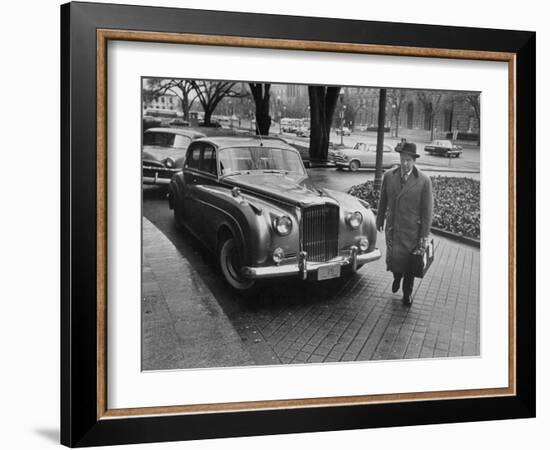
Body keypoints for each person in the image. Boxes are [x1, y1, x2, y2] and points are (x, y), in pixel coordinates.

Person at [376, 142, 433, 306]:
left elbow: (427, 211)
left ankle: (407, 293)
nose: (405, 163)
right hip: (393, 229)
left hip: (411, 232)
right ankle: (396, 276)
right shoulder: (389, 176)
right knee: (395, 260)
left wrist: (424, 235)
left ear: (414, 161)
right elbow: (383, 201)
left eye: (408, 160)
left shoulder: (423, 181)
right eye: (403, 159)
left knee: (410, 263)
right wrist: (379, 218)